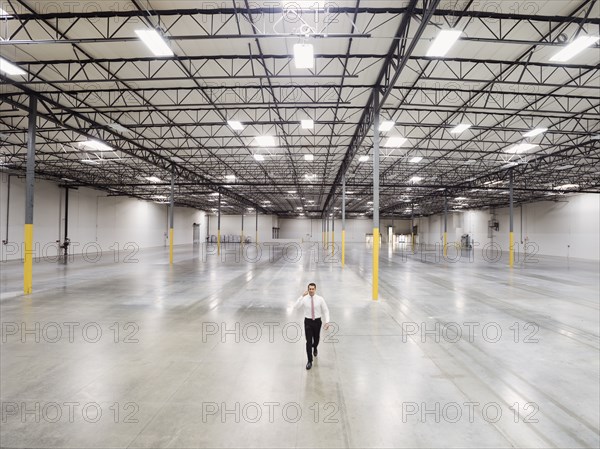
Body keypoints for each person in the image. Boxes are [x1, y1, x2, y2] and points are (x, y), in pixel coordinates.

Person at [293, 283, 330, 370]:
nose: (311, 290)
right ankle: (309, 361)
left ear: (315, 289)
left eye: (313, 289)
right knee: (308, 342)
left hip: (317, 321)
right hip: (308, 322)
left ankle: (315, 348)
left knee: (316, 339)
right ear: (308, 289)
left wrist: (327, 321)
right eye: (310, 289)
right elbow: (295, 307)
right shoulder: (304, 299)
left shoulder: (320, 299)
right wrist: (301, 296)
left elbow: (326, 310)